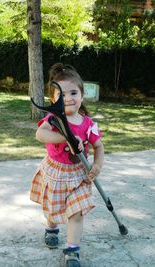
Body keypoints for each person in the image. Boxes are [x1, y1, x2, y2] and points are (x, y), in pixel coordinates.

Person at [30, 63, 104, 267]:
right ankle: (51, 227)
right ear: (53, 100)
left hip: (79, 174)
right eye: (62, 94)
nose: (69, 98)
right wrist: (66, 137)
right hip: (56, 172)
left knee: (77, 212)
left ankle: (72, 250)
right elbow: (40, 134)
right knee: (53, 208)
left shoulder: (88, 124)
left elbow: (99, 147)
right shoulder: (53, 119)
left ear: (82, 95)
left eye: (73, 92)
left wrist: (97, 165)